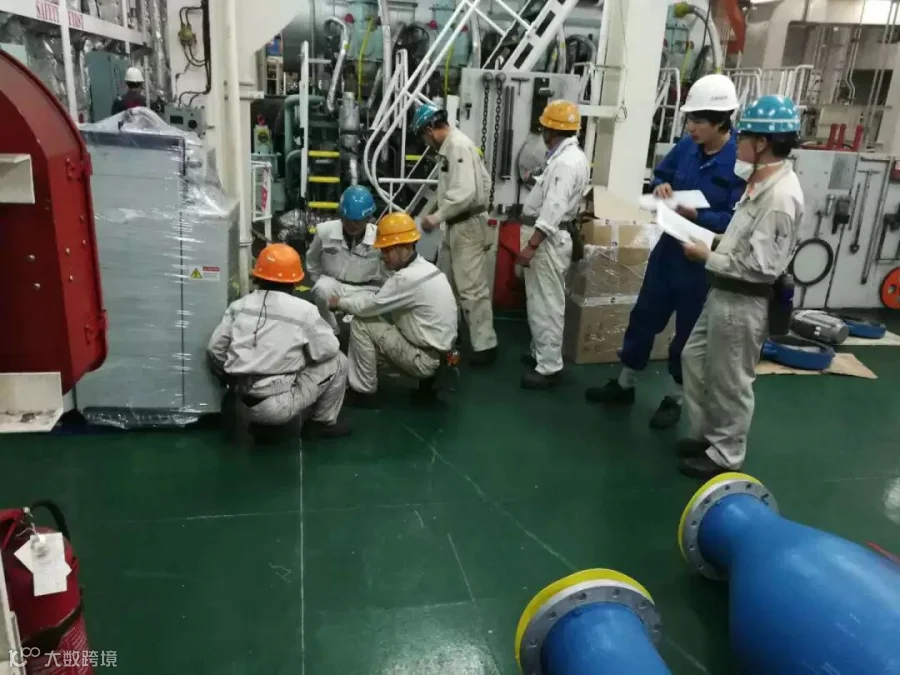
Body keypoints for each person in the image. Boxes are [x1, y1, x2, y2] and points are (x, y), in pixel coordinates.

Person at [585, 74, 745, 428]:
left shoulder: (738, 161)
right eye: (690, 119)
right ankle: (625, 383)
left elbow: (735, 219)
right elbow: (660, 175)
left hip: (701, 260)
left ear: (721, 121)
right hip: (669, 249)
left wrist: (698, 215)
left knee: (687, 333)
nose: (690, 127)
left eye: (698, 121)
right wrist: (660, 187)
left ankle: (675, 397)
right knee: (644, 316)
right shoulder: (686, 147)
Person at [678, 95, 805, 479]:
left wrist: (706, 256)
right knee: (694, 359)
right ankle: (707, 435)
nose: (737, 143)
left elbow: (760, 269)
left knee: (731, 381)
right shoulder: (758, 184)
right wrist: (713, 241)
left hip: (743, 301)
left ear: (762, 143)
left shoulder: (780, 197)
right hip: (723, 293)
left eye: (744, 136)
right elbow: (742, 241)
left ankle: (726, 453)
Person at [207, 243, 350, 440]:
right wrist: (300, 357)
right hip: (276, 406)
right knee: (339, 361)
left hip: (238, 402)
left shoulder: (239, 306)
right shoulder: (304, 310)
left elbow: (214, 349)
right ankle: (322, 423)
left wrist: (234, 375)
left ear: (258, 277)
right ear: (295, 282)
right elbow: (329, 348)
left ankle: (260, 421)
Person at [330, 212, 458, 406]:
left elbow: (369, 307)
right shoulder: (428, 269)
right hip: (442, 357)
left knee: (361, 323)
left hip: (423, 360)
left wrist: (339, 302)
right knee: (390, 327)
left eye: (387, 250)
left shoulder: (406, 278)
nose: (383, 256)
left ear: (405, 247)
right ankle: (427, 389)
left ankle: (363, 392)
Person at [412, 102, 498, 367]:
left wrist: (436, 217)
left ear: (430, 129)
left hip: (466, 226)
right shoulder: (452, 147)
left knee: (471, 289)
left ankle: (485, 346)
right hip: (458, 224)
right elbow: (484, 182)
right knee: (446, 284)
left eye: (424, 137)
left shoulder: (458, 146)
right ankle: (451, 336)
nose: (426, 143)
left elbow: (465, 194)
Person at [517, 100, 590, 390]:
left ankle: (548, 367)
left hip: (547, 241)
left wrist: (532, 245)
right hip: (551, 238)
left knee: (546, 304)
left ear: (550, 131)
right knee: (539, 301)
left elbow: (554, 208)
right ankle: (541, 353)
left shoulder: (565, 163)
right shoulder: (567, 158)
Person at [306, 185, 386, 334]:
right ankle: (330, 329)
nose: (352, 225)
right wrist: (317, 279)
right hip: (334, 284)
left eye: (357, 221)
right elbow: (312, 259)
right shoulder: (325, 231)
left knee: (361, 327)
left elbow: (388, 271)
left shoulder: (380, 237)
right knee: (321, 289)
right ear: (341, 216)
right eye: (347, 220)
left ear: (369, 218)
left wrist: (382, 294)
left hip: (366, 289)